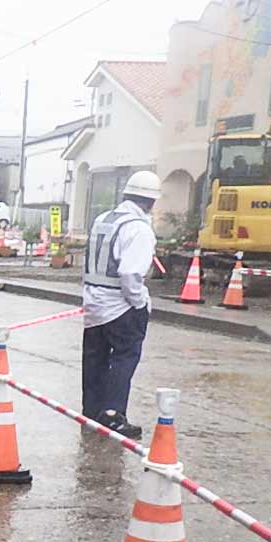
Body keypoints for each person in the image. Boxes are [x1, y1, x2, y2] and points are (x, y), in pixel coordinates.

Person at [81, 170, 161, 439]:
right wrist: (139, 303)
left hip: (94, 303)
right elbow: (130, 274)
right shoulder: (138, 228)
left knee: (95, 358)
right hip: (120, 304)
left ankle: (91, 412)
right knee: (124, 358)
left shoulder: (104, 219)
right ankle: (113, 414)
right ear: (151, 202)